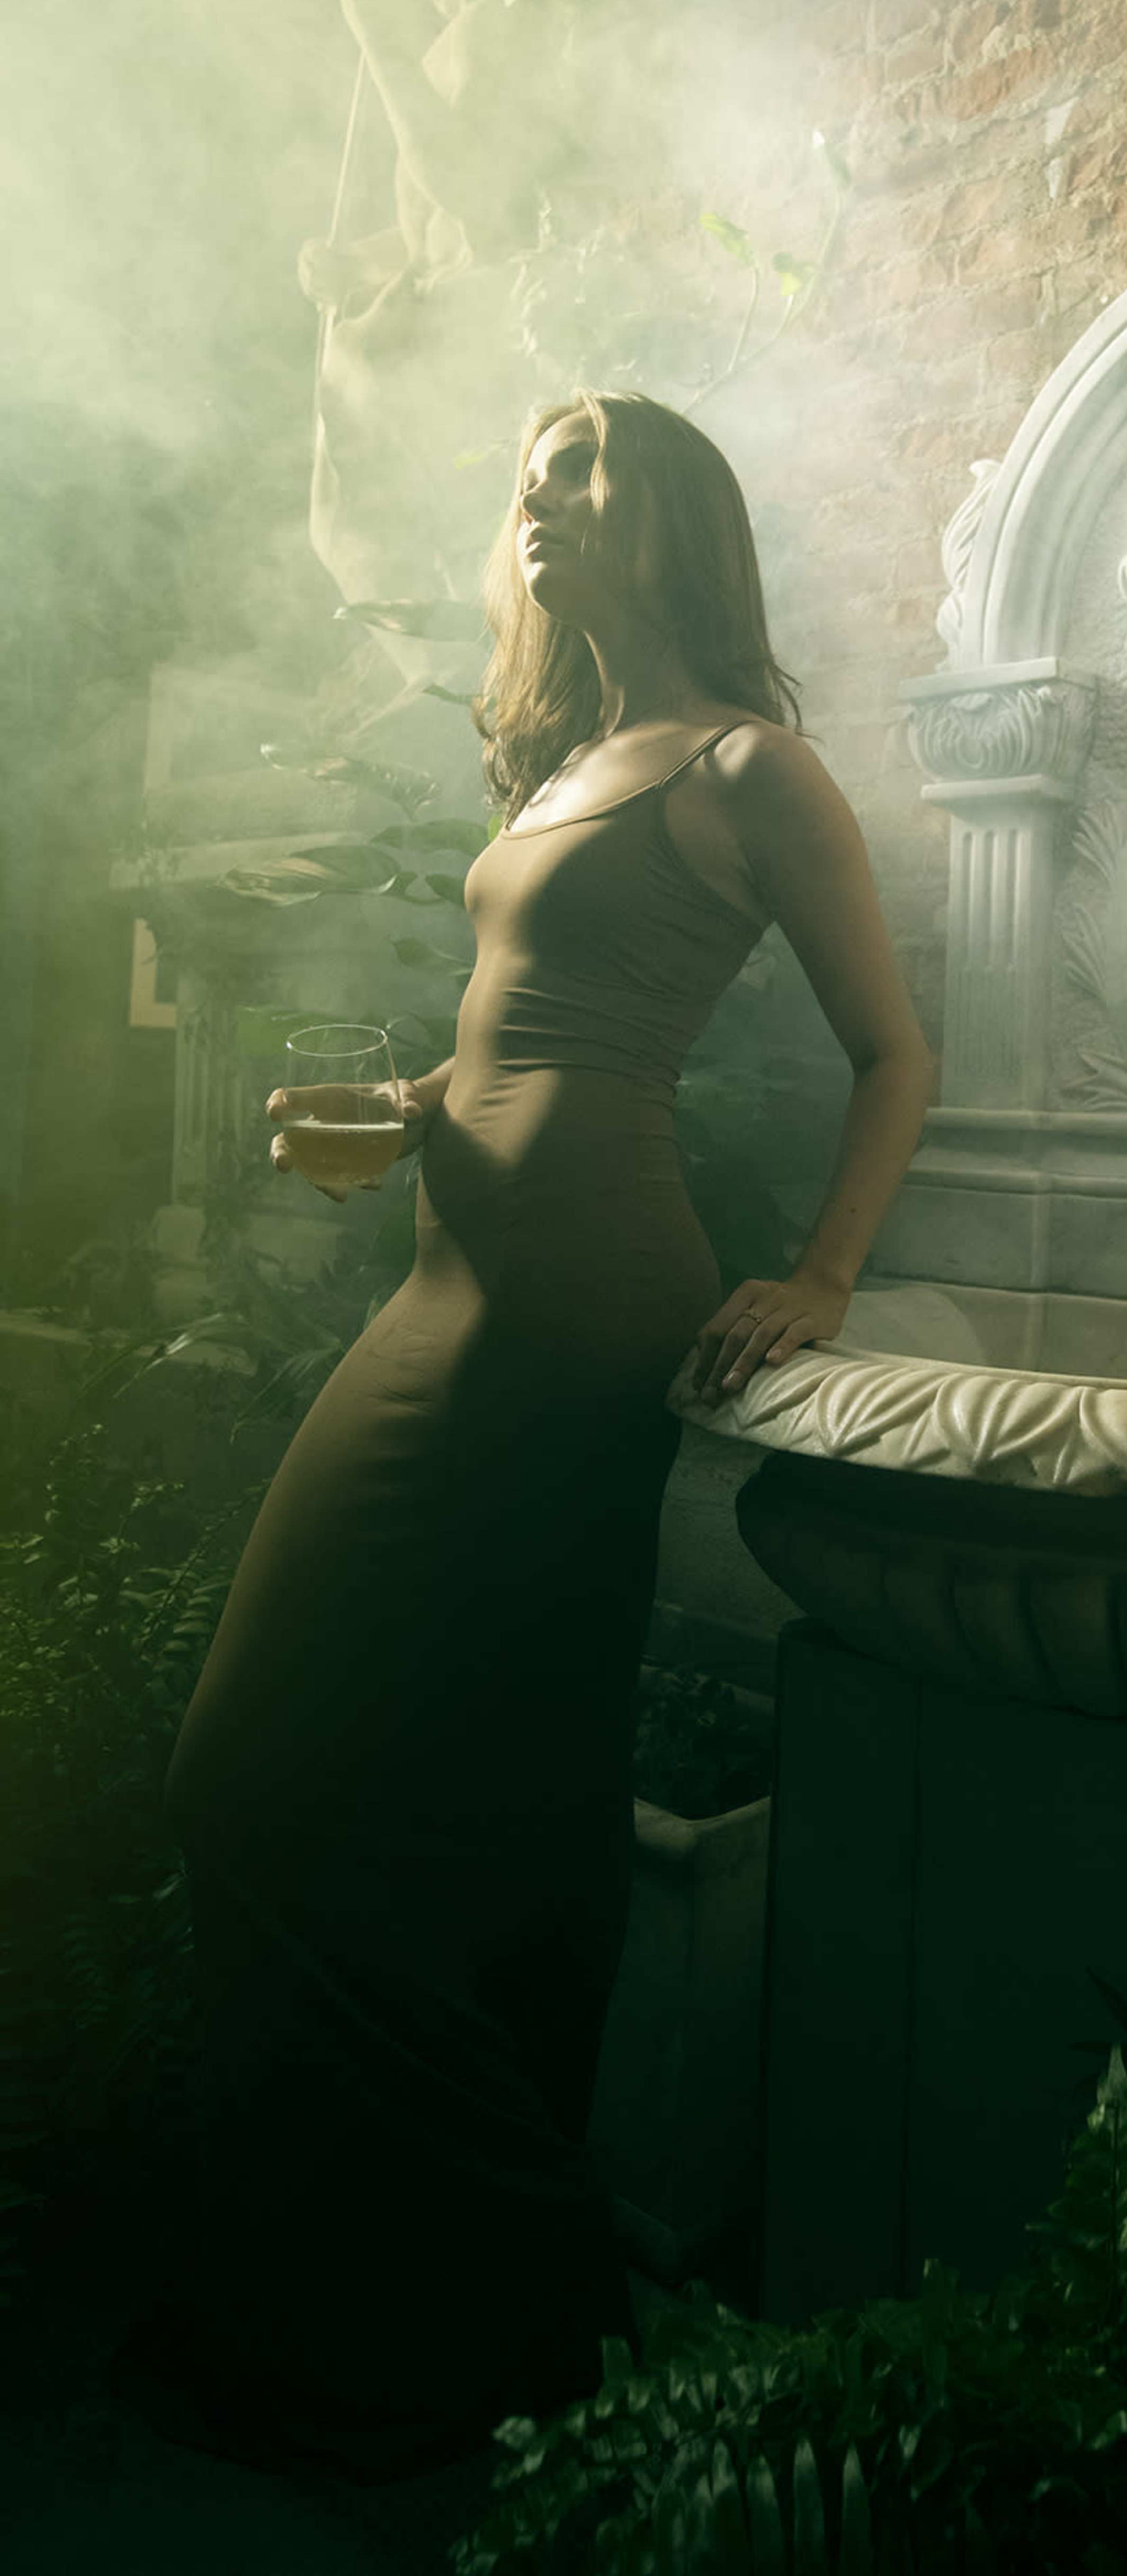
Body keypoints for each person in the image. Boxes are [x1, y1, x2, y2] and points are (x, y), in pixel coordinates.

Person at [112, 391, 935, 2479]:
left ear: (673, 513)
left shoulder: (753, 766)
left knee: (275, 1772)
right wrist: (400, 1119)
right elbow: (522, 1041)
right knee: (406, 1792)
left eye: (583, 460)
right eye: (530, 467)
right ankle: (383, 2333)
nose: (536, 494)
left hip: (566, 1321)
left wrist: (824, 1274)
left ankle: (515, 2315)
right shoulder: (570, 764)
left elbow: (892, 1052)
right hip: (447, 1282)